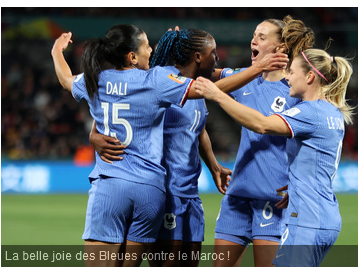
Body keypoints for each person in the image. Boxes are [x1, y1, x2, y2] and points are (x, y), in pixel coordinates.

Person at [51, 24, 288, 266]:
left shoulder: (103, 78)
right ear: (132, 56)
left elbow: (197, 128)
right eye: (146, 47)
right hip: (158, 190)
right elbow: (207, 91)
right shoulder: (160, 82)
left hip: (150, 188)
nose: (151, 50)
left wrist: (56, 52)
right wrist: (257, 69)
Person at [194, 48, 354, 267]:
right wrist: (297, 187)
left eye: (292, 72)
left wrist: (217, 95)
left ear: (309, 77)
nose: (287, 77)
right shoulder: (331, 112)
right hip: (322, 214)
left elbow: (262, 125)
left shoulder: (310, 112)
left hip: (308, 219)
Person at [89, 27, 232, 267]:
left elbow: (197, 129)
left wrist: (214, 166)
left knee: (189, 264)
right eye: (213, 52)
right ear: (197, 56)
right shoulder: (161, 81)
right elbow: (118, 109)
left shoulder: (192, 86)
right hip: (167, 192)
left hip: (190, 195)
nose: (217, 57)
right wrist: (94, 134)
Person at [201, 16, 315, 267]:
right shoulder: (244, 77)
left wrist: (300, 183)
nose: (253, 40)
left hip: (273, 197)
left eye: (262, 37)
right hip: (237, 194)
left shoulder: (295, 89)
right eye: (254, 35)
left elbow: (313, 143)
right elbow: (204, 79)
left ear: (281, 48)